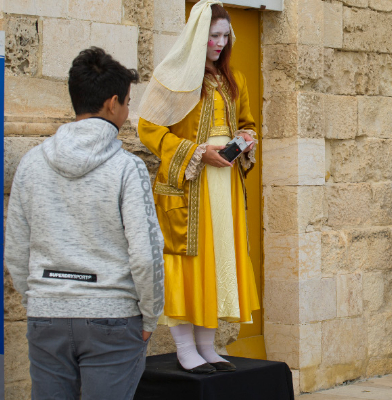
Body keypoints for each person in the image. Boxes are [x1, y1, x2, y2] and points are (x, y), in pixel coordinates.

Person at [4, 47, 164, 399]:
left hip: (47, 316)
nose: (127, 111)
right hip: (112, 317)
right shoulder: (127, 168)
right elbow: (145, 254)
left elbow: (15, 248)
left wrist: (41, 301)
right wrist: (150, 317)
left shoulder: (32, 163)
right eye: (126, 102)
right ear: (111, 103)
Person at [136, 0, 259, 374]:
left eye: (225, 36)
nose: (220, 43)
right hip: (189, 187)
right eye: (213, 36)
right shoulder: (173, 79)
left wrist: (245, 139)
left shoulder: (234, 79)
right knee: (189, 263)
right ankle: (185, 347)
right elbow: (148, 128)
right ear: (197, 36)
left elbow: (248, 122)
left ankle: (208, 346)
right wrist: (197, 152)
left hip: (225, 187)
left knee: (219, 258)